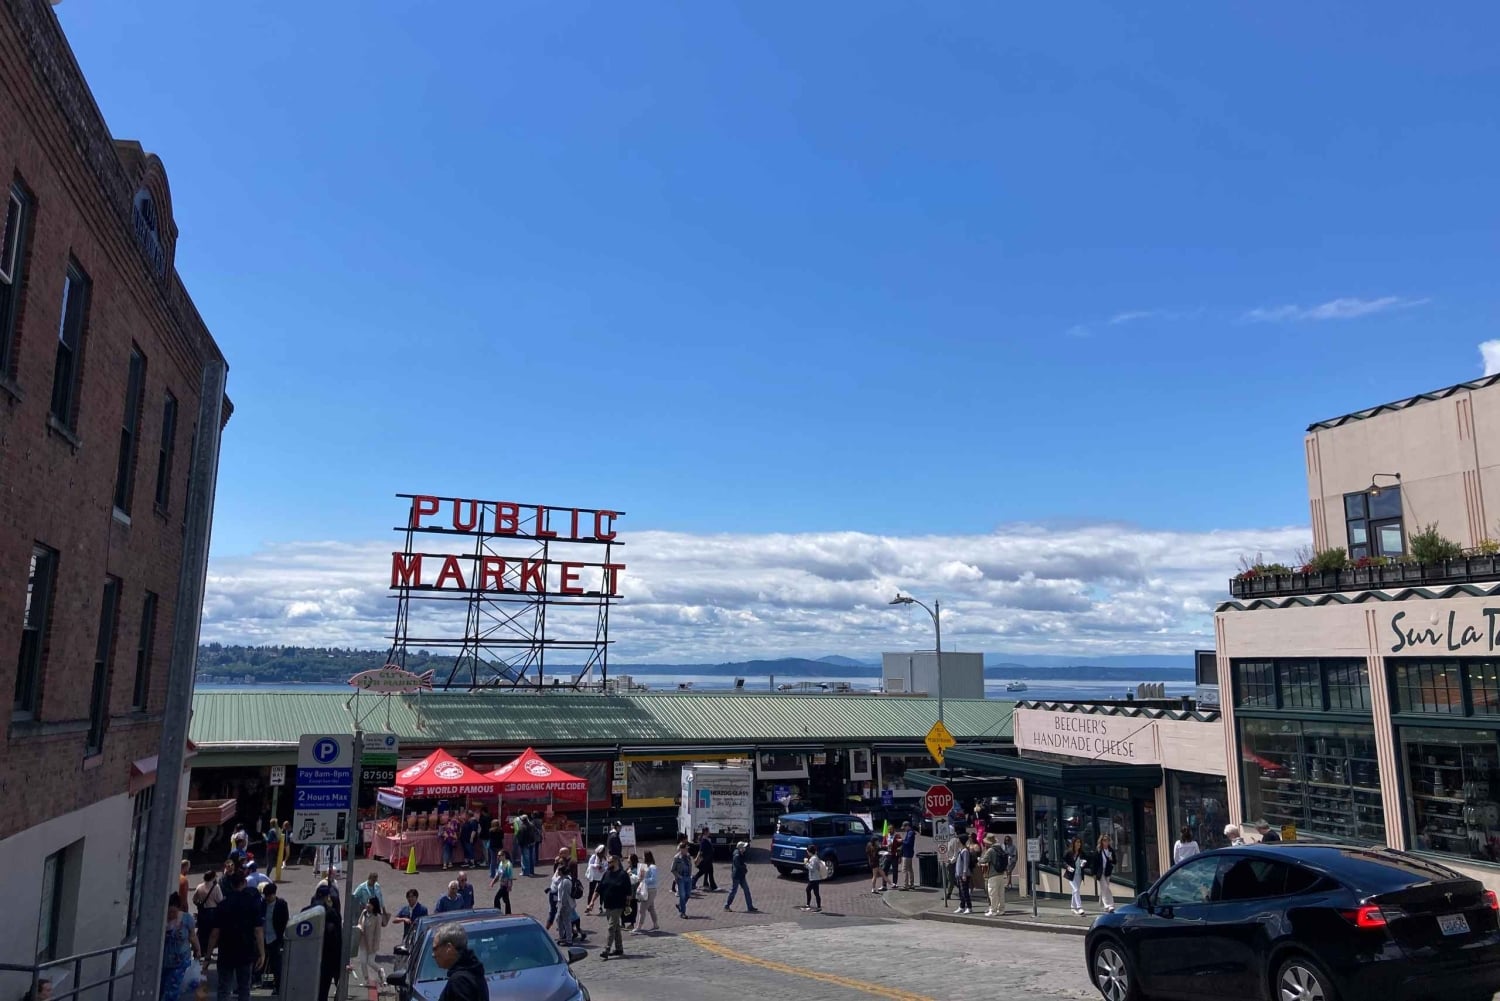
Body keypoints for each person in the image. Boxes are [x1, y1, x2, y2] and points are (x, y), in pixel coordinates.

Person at [208, 869, 265, 1001]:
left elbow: (215, 933)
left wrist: (208, 955)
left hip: (226, 950)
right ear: (244, 882)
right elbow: (258, 930)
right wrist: (262, 953)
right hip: (246, 950)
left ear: (231, 885)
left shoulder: (223, 905)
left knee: (224, 988)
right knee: (244, 988)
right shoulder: (252, 904)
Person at [161, 893, 202, 1001]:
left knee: (172, 990)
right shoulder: (161, 920)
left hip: (180, 961)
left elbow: (192, 936)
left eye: (173, 912)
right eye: (169, 912)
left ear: (178, 909)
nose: (171, 915)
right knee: (161, 988)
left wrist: (198, 950)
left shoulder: (186, 919)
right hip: (163, 961)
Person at [430, 922, 486, 1001]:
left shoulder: (460, 981)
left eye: (435, 949)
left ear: (449, 948)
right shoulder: (474, 971)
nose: (433, 955)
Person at [598, 854, 632, 959]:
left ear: (616, 862)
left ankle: (607, 949)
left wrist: (627, 905)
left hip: (618, 905)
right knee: (616, 927)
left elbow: (629, 892)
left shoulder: (623, 875)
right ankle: (619, 948)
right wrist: (591, 902)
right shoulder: (606, 873)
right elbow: (599, 888)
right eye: (608, 862)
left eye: (610, 862)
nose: (608, 864)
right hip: (608, 904)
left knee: (611, 927)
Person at [312, 885, 342, 1001]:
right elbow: (338, 940)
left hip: (309, 959)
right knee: (323, 992)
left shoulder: (305, 912)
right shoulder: (333, 914)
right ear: (327, 897)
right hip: (327, 960)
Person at [261, 883, 289, 995]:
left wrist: (280, 936)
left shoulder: (281, 904)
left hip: (274, 938)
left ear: (273, 895)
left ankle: (278, 986)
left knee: (276, 964)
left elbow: (284, 920)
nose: (266, 898)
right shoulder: (263, 904)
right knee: (258, 961)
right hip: (263, 937)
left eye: (268, 896)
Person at [191, 870, 222, 959]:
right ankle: (208, 952)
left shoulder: (199, 887)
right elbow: (220, 900)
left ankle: (199, 951)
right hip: (212, 912)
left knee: (201, 932)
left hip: (202, 912)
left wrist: (199, 905)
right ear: (212, 877)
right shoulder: (216, 887)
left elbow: (194, 899)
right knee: (211, 934)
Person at [355, 898, 383, 986]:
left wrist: (375, 946)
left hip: (371, 944)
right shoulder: (364, 913)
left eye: (370, 904)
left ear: (374, 906)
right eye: (367, 903)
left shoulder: (377, 917)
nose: (367, 905)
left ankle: (380, 970)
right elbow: (359, 923)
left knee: (370, 962)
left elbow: (378, 933)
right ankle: (366, 980)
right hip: (363, 942)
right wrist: (360, 928)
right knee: (363, 962)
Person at [724, 841, 757, 912]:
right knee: (733, 891)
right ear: (740, 848)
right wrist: (744, 868)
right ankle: (726, 906)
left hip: (741, 875)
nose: (745, 848)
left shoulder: (740, 854)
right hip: (737, 876)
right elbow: (738, 866)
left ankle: (750, 906)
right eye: (744, 847)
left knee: (746, 890)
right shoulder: (737, 855)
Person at [634, 850, 661, 933]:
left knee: (642, 909)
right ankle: (656, 924)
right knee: (651, 908)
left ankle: (639, 927)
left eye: (644, 856)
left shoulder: (653, 867)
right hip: (646, 888)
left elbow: (654, 879)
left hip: (650, 890)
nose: (642, 857)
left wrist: (644, 879)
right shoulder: (645, 866)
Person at [553, 862, 578, 946]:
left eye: (559, 871)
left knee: (566, 922)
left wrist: (561, 906)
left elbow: (564, 896)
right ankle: (563, 937)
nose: (557, 872)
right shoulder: (564, 879)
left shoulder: (565, 881)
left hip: (565, 905)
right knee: (559, 920)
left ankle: (568, 939)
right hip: (563, 904)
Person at [981, 834, 1006, 917]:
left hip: (993, 874)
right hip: (1001, 873)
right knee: (1000, 893)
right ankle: (1001, 909)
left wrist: (979, 860)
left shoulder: (991, 850)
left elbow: (984, 860)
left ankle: (993, 910)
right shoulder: (1001, 848)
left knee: (992, 894)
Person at [1064, 837, 1087, 916]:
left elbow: (1086, 860)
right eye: (1077, 842)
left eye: (1080, 842)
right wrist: (1067, 867)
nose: (1079, 844)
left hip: (1079, 874)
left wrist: (1084, 862)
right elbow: (1063, 862)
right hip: (1071, 874)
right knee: (1076, 889)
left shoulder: (1082, 853)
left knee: (1075, 891)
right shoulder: (1069, 852)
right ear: (1073, 843)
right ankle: (1079, 907)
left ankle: (1073, 907)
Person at [1095, 834, 1117, 913]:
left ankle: (1102, 903)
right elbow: (1095, 862)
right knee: (1105, 888)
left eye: (1107, 840)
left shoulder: (1111, 850)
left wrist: (1111, 859)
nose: (1106, 842)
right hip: (1100, 872)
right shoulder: (1098, 850)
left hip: (1107, 871)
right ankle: (1109, 905)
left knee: (1104, 888)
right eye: (1104, 840)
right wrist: (1094, 873)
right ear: (1101, 841)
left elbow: (1115, 861)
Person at [671, 843, 693, 917]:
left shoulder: (688, 856)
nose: (687, 850)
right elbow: (673, 869)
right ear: (681, 849)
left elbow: (690, 865)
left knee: (688, 894)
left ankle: (680, 905)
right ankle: (683, 913)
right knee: (682, 895)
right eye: (685, 848)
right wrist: (678, 876)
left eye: (687, 848)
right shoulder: (677, 858)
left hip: (688, 877)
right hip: (681, 878)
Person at [801, 845, 825, 912]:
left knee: (809, 890)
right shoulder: (815, 857)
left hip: (814, 878)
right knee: (815, 892)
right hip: (815, 878)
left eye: (807, 852)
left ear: (810, 852)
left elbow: (812, 868)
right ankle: (817, 906)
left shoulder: (814, 859)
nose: (807, 853)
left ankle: (809, 905)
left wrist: (806, 864)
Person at [954, 834, 974, 914]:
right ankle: (962, 906)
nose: (957, 841)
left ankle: (969, 907)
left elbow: (965, 863)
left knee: (965, 891)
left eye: (959, 840)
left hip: (964, 875)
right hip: (959, 874)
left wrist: (964, 874)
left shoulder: (965, 851)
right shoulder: (961, 850)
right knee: (961, 892)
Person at [584, 845, 607, 914]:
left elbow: (606, 866)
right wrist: (596, 865)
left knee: (601, 892)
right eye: (602, 852)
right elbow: (590, 865)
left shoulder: (605, 858)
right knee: (591, 891)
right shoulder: (594, 857)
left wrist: (603, 868)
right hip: (594, 877)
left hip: (601, 877)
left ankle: (600, 906)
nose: (603, 853)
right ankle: (588, 906)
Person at [694, 827, 718, 891]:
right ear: (705, 832)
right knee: (702, 872)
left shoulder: (707, 839)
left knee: (710, 872)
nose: (709, 832)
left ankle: (712, 886)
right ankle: (693, 882)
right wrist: (697, 858)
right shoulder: (703, 841)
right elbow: (700, 851)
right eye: (708, 831)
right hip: (705, 860)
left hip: (709, 859)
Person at [899, 822, 917, 889]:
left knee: (904, 870)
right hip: (909, 853)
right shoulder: (910, 832)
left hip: (907, 854)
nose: (904, 829)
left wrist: (901, 841)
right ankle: (911, 884)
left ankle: (905, 885)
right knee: (910, 869)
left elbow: (908, 843)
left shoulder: (910, 833)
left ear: (907, 826)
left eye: (904, 827)